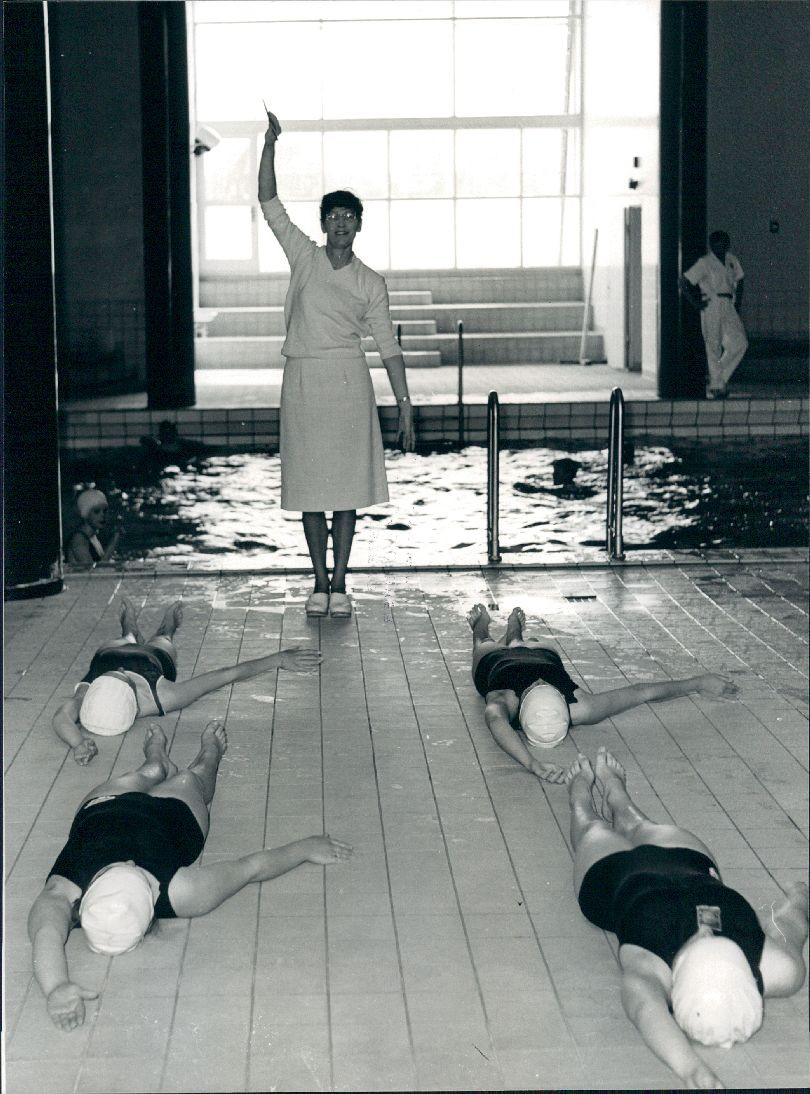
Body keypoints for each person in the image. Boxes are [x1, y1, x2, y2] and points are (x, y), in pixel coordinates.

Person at [28, 721, 352, 1031]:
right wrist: (305, 848)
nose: (127, 860)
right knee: (191, 780)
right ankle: (207, 757)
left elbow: (45, 933)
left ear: (84, 900)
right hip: (170, 815)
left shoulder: (63, 888)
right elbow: (250, 867)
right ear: (153, 907)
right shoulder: (183, 893)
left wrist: (56, 986)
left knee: (149, 774)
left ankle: (154, 763)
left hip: (105, 807)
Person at [566, 748, 808, 1088]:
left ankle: (581, 797)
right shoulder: (781, 970)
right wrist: (800, 897)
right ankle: (616, 793)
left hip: (617, 875)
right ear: (753, 974)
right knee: (636, 823)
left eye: (700, 944)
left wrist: (692, 1069)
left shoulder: (649, 963)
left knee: (590, 827)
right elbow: (790, 927)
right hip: (684, 860)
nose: (706, 935)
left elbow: (644, 1011)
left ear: (673, 984)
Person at [258, 108, 415, 620]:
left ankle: (342, 581)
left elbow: (388, 347)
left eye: (349, 217)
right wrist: (269, 145)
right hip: (303, 379)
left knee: (343, 490)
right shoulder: (304, 256)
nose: (341, 223)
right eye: (333, 216)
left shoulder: (371, 282)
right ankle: (318, 581)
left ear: (359, 225)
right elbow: (269, 202)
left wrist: (405, 405)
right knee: (310, 487)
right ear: (323, 224)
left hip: (349, 385)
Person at [468, 604, 739, 782]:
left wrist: (531, 764)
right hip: (542, 654)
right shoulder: (581, 707)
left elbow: (496, 724)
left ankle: (481, 624)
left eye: (538, 688)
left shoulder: (503, 701)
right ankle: (515, 627)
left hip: (493, 662)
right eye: (546, 688)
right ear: (564, 702)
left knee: (483, 642)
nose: (540, 683)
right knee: (518, 641)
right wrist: (697, 683)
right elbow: (641, 693)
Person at [53, 596, 322, 765]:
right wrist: (279, 659)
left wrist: (78, 743)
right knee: (163, 640)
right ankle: (167, 625)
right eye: (122, 678)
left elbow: (61, 718)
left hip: (107, 654)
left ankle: (129, 627)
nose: (121, 670)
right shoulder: (166, 697)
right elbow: (226, 675)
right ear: (133, 698)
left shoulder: (86, 696)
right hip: (153, 660)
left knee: (125, 638)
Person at [681, 230, 748, 399]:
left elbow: (740, 279)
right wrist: (696, 303)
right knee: (714, 345)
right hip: (712, 303)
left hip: (728, 303)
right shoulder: (705, 263)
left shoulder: (732, 260)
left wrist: (737, 303)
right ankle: (717, 386)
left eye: (724, 242)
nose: (722, 246)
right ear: (711, 245)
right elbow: (684, 281)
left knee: (740, 343)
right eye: (718, 243)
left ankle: (718, 379)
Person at [65, 488, 120, 567]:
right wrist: (114, 541)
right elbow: (93, 572)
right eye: (97, 511)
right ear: (85, 513)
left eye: (104, 511)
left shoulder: (92, 537)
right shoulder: (78, 539)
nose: (102, 515)